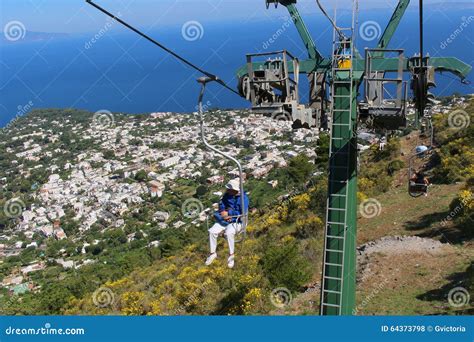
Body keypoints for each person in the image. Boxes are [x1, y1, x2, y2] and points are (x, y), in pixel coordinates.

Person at [205, 178, 249, 269]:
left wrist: (229, 214)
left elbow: (242, 213)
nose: (227, 191)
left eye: (229, 190)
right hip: (226, 219)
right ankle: (213, 253)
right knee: (212, 231)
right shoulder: (227, 195)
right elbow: (222, 205)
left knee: (229, 233)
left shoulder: (243, 199)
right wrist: (223, 212)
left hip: (237, 220)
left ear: (234, 190)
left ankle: (231, 255)